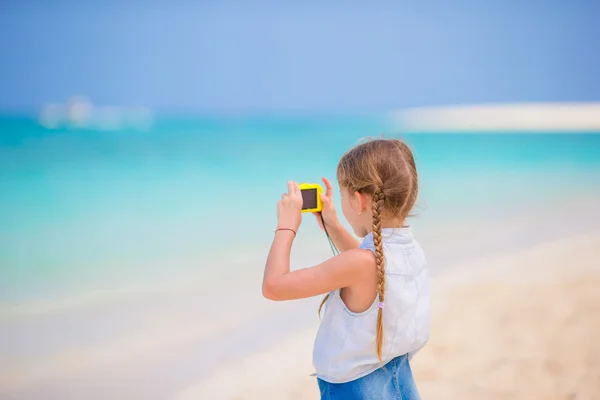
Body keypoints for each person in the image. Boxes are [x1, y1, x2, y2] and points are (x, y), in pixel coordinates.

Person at [262, 138, 430, 399]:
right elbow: (370, 266)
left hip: (354, 390)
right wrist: (334, 226)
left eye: (342, 194)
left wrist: (286, 226)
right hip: (398, 380)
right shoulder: (409, 249)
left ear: (359, 201)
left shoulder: (362, 264)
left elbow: (274, 286)